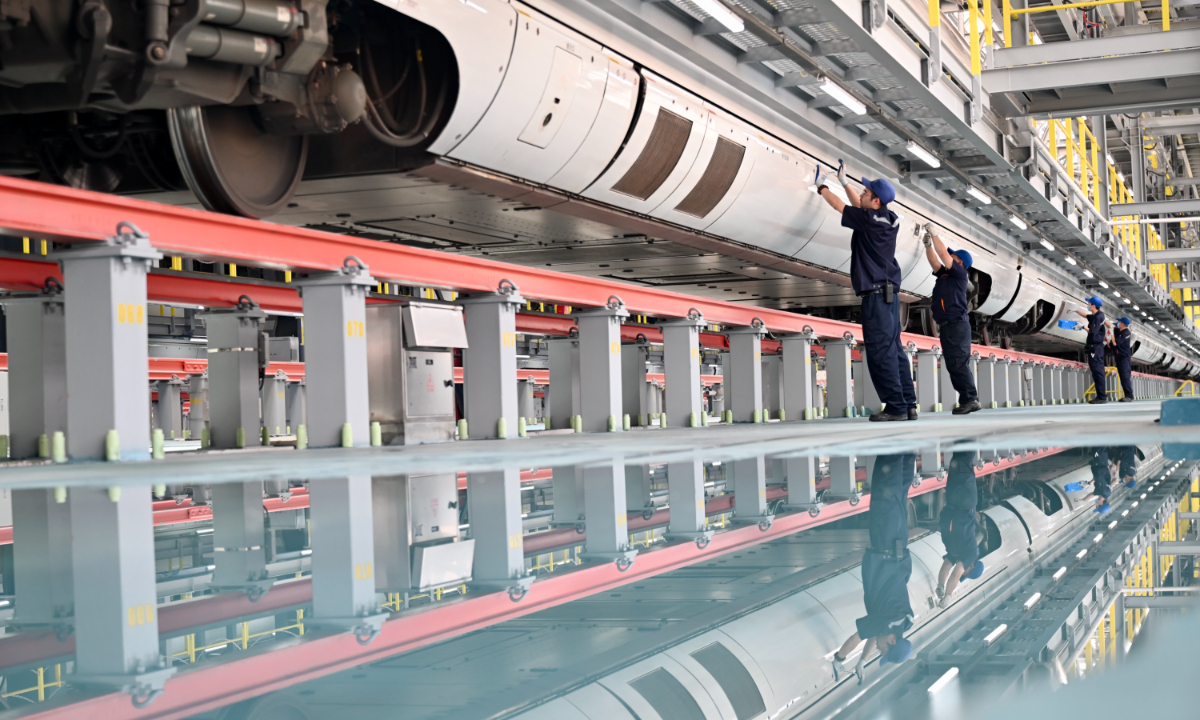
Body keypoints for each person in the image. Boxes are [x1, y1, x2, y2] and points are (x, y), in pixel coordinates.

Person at [816, 166, 916, 422]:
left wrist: (823, 187)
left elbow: (841, 206)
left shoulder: (870, 221)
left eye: (865, 191)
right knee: (894, 349)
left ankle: (895, 407)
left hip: (876, 297)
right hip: (890, 295)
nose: (861, 194)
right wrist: (845, 182)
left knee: (881, 353)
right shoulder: (888, 218)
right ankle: (908, 405)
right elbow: (858, 208)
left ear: (876, 200)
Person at [831, 453, 915, 683]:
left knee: (899, 493)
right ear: (892, 641)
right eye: (883, 651)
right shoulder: (885, 623)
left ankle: (908, 443)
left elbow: (874, 634)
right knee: (885, 488)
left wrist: (861, 661)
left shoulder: (903, 621)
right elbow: (857, 638)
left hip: (898, 547)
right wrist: (839, 659)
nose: (878, 650)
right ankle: (895, 441)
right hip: (884, 542)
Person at [924, 225, 980, 415]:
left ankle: (970, 399)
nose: (950, 257)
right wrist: (926, 245)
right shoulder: (947, 275)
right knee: (953, 364)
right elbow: (935, 262)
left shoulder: (959, 273)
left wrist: (934, 234)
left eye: (954, 256)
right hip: (949, 326)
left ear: (960, 262)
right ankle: (968, 399)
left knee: (957, 363)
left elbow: (942, 253)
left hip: (956, 325)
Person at [935, 451, 985, 608]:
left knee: (961, 465)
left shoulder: (958, 554)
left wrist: (941, 587)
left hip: (962, 503)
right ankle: (964, 437)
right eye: (966, 573)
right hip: (956, 503)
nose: (962, 573)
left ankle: (965, 439)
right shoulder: (970, 554)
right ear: (971, 566)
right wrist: (946, 595)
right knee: (959, 465)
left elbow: (947, 569)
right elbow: (954, 572)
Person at [1075, 297, 1108, 404]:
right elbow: (1086, 315)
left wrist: (1083, 327)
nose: (1088, 304)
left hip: (1096, 348)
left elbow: (1093, 332)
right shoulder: (1096, 315)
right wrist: (1075, 310)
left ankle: (1102, 397)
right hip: (1095, 347)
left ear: (1093, 305)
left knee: (1098, 372)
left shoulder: (1098, 317)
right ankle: (1101, 396)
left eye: (1089, 303)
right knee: (1096, 372)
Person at [1107, 316, 1134, 402]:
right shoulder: (1120, 331)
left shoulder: (1126, 333)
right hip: (1119, 357)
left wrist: (1111, 334)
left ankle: (1129, 396)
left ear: (1122, 324)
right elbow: (1111, 325)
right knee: (1122, 377)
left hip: (1124, 358)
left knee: (1125, 377)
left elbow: (1115, 343)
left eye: (1119, 322)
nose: (1118, 323)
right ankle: (1127, 395)